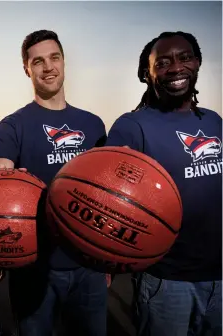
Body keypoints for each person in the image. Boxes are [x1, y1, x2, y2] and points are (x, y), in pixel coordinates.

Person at [0, 29, 108, 336]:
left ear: (64, 62)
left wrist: (109, 255)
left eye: (54, 58)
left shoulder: (93, 125)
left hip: (88, 264)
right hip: (34, 265)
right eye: (38, 61)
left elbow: (107, 193)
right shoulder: (13, 125)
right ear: (27, 69)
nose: (48, 67)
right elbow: (1, 179)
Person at [106, 31, 222, 336]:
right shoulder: (131, 127)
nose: (175, 68)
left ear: (197, 63)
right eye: (163, 63)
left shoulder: (213, 121)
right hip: (167, 280)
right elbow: (106, 198)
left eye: (185, 58)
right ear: (147, 73)